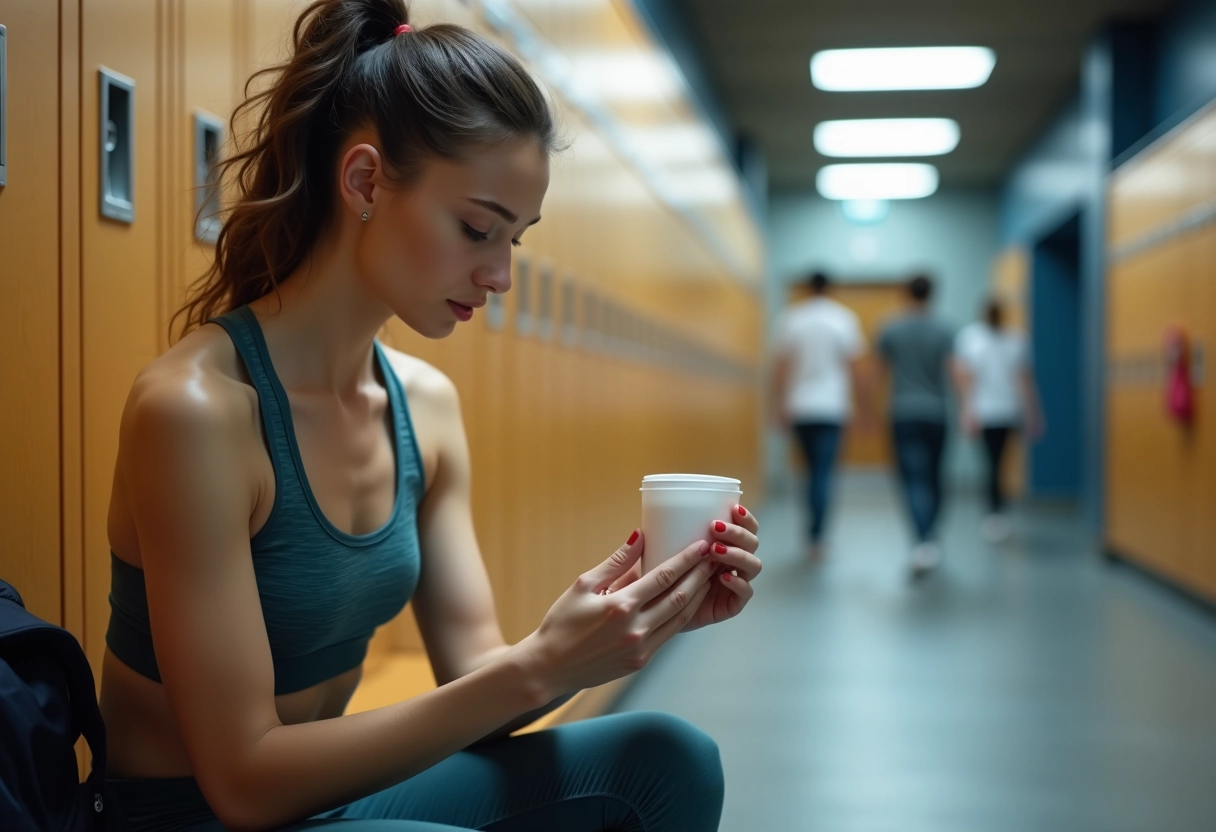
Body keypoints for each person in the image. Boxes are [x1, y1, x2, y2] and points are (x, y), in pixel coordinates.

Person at [98, 2, 762, 829]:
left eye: (515, 240)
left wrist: (631, 620)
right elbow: (243, 780)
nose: (500, 276)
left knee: (667, 761)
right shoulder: (197, 413)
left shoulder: (425, 408)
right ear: (366, 181)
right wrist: (537, 668)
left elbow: (480, 678)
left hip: (327, 800)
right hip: (195, 815)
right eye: (478, 228)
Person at [771, 271, 871, 561]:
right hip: (831, 408)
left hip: (800, 407)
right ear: (830, 288)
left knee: (809, 472)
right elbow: (854, 366)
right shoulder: (843, 319)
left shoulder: (792, 318)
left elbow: (782, 367)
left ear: (807, 288)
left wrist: (778, 406)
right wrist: (865, 410)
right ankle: (818, 536)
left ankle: (810, 532)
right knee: (824, 473)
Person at [877, 275, 955, 577]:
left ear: (906, 293)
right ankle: (930, 535)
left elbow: (877, 372)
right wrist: (968, 408)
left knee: (912, 479)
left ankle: (923, 539)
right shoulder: (944, 330)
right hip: (936, 413)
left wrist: (868, 412)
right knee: (934, 476)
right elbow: (955, 371)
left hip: (903, 414)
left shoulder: (892, 328)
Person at [952, 298, 1043, 542]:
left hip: (1006, 410)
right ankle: (994, 512)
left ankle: (996, 511)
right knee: (993, 462)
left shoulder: (1015, 339)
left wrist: (1032, 413)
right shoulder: (972, 338)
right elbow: (965, 378)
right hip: (985, 411)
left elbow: (1023, 379)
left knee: (999, 463)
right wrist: (967, 410)